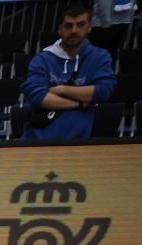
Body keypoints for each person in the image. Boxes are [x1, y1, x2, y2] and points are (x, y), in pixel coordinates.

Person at [23, 2, 117, 141]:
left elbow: (102, 92)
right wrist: (80, 103)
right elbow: (38, 96)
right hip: (38, 140)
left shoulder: (100, 57)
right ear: (60, 29)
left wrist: (61, 90)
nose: (74, 30)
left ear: (89, 26)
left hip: (78, 143)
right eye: (68, 26)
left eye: (80, 25)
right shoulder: (42, 59)